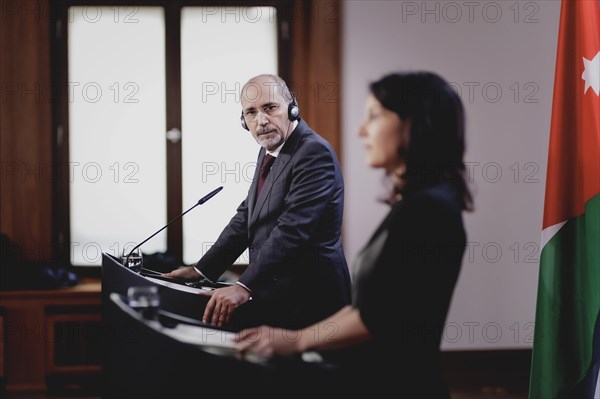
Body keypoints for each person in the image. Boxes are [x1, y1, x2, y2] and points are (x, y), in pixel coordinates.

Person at [234, 71, 473, 398]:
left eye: (374, 117)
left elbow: (377, 320)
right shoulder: (418, 203)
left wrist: (296, 339)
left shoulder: (428, 210)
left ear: (413, 124)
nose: (361, 130)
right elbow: (372, 307)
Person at [165, 74, 351, 330]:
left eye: (270, 108)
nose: (261, 120)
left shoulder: (313, 153)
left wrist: (244, 286)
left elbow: (292, 230)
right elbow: (247, 217)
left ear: (292, 107)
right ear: (244, 121)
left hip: (313, 302)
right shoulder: (270, 149)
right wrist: (202, 270)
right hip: (279, 299)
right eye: (251, 112)